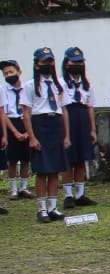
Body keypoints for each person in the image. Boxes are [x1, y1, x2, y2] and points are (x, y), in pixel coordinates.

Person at [21, 47, 70, 224]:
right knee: (42, 170)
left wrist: (66, 135)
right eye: (44, 62)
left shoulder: (59, 85)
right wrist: (32, 137)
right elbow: (26, 113)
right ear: (36, 65)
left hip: (56, 124)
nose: (48, 65)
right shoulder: (29, 86)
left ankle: (53, 206)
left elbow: (64, 110)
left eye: (50, 61)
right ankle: (41, 209)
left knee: (55, 170)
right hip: (40, 125)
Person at [60, 47, 98, 210]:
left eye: (80, 62)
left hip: (82, 119)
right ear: (67, 63)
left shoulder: (87, 84)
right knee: (68, 158)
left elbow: (90, 107)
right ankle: (68, 194)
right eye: (74, 62)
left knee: (82, 158)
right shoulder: (61, 83)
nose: (78, 65)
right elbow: (62, 107)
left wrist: (92, 129)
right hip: (68, 118)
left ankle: (80, 194)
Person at [3, 59, 35, 202]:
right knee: (12, 159)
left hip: (26, 122)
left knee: (25, 158)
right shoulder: (3, 90)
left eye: (11, 72)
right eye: (6, 73)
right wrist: (15, 132)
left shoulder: (28, 88)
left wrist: (28, 131)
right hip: (11, 123)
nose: (9, 75)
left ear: (19, 72)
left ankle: (24, 187)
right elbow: (3, 113)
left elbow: (32, 109)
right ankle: (14, 189)